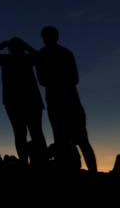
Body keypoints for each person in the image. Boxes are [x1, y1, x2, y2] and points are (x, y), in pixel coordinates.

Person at [36, 26, 97, 172]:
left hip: (70, 103)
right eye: (44, 36)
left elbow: (74, 78)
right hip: (58, 104)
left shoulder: (64, 53)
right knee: (63, 142)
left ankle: (93, 172)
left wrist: (55, 78)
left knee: (81, 140)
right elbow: (43, 80)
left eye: (47, 36)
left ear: (55, 37)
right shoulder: (44, 55)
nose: (46, 39)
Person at [0, 37, 46, 165]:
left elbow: (41, 57)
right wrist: (21, 45)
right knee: (26, 133)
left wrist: (4, 44)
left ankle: (38, 161)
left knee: (28, 133)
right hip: (19, 102)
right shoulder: (12, 59)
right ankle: (31, 161)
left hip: (23, 102)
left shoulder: (19, 59)